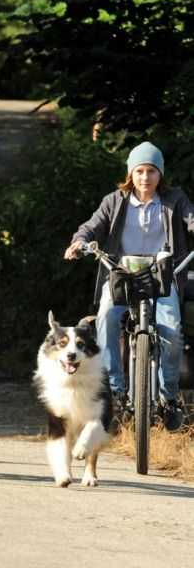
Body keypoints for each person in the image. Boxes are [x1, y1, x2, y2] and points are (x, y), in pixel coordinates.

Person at [64, 141, 194, 432]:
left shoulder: (174, 199)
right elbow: (92, 226)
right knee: (106, 318)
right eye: (139, 171)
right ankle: (115, 390)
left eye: (151, 171)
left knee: (172, 331)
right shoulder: (115, 200)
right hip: (122, 275)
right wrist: (79, 241)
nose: (145, 177)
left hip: (163, 276)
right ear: (130, 174)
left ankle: (168, 397)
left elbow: (191, 218)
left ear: (160, 174)